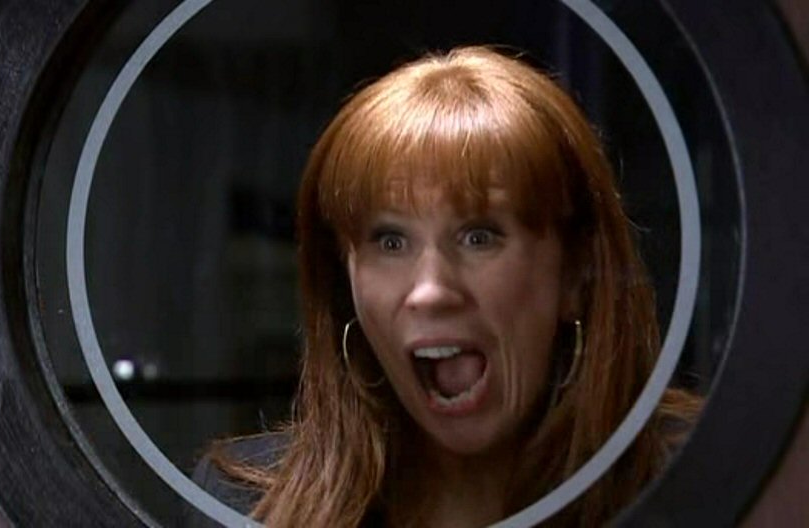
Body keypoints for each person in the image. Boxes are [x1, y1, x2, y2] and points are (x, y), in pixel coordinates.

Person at [188, 45, 698, 528]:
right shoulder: (245, 508)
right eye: (391, 241)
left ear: (575, 274)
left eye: (479, 237)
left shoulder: (705, 480)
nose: (430, 291)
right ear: (346, 283)